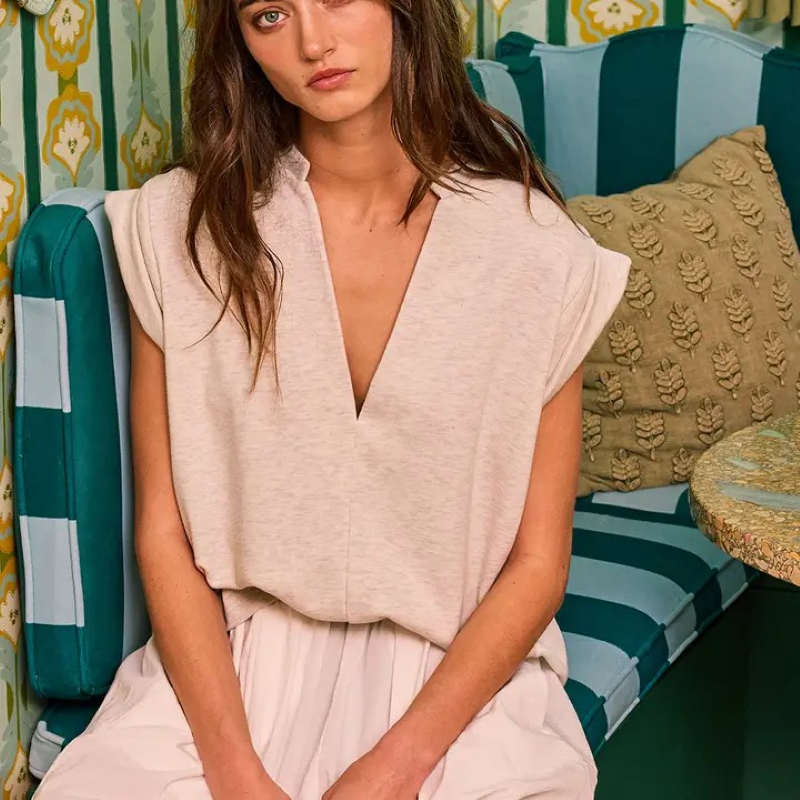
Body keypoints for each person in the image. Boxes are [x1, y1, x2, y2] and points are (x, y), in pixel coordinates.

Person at [33, 0, 631, 797]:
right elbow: (165, 534)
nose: (314, 41)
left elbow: (535, 565)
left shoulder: (538, 254)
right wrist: (237, 774)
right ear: (238, 41)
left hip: (455, 690)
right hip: (228, 675)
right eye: (270, 15)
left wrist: (396, 767)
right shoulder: (181, 230)